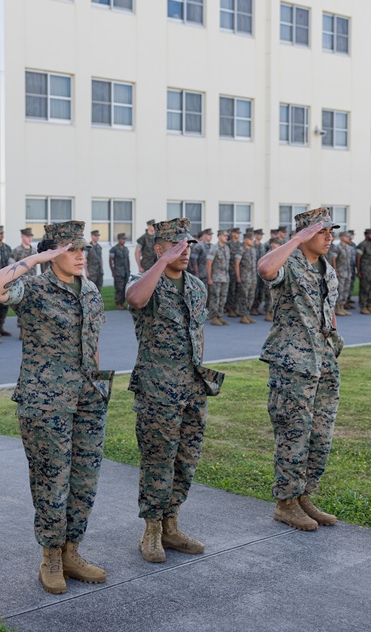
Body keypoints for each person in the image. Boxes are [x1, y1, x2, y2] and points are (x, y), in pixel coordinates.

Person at [0, 220, 111, 595]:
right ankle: (51, 556)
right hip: (46, 400)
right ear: (54, 253)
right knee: (51, 481)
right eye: (71, 250)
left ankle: (73, 550)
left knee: (84, 480)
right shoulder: (34, 289)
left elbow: (94, 342)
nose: (79, 256)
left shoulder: (90, 290)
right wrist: (36, 258)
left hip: (87, 400)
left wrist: (99, 388)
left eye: (82, 249)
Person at [127, 217, 224, 563]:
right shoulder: (144, 282)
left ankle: (171, 524)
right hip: (158, 388)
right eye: (177, 245)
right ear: (159, 248)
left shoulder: (196, 286)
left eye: (189, 245)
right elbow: (136, 300)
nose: (185, 251)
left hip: (192, 388)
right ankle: (151, 530)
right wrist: (161, 264)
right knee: (158, 460)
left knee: (186, 460)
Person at [257, 208, 342, 531]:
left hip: (323, 362)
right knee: (294, 433)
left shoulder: (327, 270)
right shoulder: (288, 265)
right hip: (293, 364)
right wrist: (295, 240)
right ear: (306, 235)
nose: (329, 237)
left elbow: (328, 311)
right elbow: (265, 268)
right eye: (323, 233)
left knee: (320, 434)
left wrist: (333, 342)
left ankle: (304, 495)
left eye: (331, 231)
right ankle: (286, 502)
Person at [205, 229, 230, 326]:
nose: (226, 237)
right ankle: (214, 317)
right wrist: (209, 278)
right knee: (215, 298)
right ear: (219, 236)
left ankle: (220, 316)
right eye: (224, 235)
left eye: (227, 236)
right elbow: (208, 264)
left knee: (223, 298)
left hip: (225, 278)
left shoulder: (227, 248)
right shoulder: (214, 248)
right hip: (216, 278)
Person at [0, 225, 13, 337]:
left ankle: (1, 326)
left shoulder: (7, 248)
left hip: (6, 280)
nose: (2, 235)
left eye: (2, 233)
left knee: (5, 304)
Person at [235, 230, 258, 325]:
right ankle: (243, 316)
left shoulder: (253, 250)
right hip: (244, 277)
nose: (252, 241)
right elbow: (236, 264)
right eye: (250, 239)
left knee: (251, 296)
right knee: (243, 296)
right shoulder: (241, 249)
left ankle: (247, 314)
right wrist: (238, 277)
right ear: (245, 240)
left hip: (252, 277)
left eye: (252, 239)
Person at [356, 229, 371, 315]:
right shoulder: (362, 245)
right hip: (365, 271)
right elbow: (358, 258)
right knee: (364, 289)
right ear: (366, 235)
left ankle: (369, 305)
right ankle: (363, 307)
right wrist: (358, 271)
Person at [109, 232, 131, 309]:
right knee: (119, 288)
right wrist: (113, 271)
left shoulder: (126, 249)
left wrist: (129, 270)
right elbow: (110, 260)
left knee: (125, 288)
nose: (124, 240)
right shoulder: (114, 249)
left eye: (125, 239)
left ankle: (122, 303)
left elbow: (128, 260)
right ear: (118, 239)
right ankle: (118, 303)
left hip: (126, 272)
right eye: (122, 239)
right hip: (118, 272)